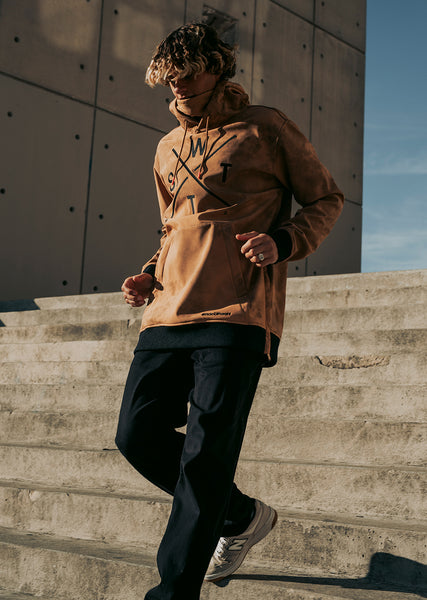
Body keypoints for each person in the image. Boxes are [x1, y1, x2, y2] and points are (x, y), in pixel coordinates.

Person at [115, 22, 344, 600]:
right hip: (168, 310)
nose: (178, 85)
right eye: (170, 76)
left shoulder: (266, 127)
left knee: (204, 455)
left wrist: (284, 240)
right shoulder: (166, 147)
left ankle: (172, 593)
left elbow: (326, 197)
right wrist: (149, 271)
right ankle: (240, 515)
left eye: (188, 73)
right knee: (136, 434)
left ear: (217, 68)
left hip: (237, 312)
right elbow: (174, 226)